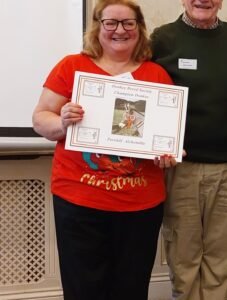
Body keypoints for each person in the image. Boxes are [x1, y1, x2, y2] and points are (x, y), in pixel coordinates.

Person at [32, 1, 176, 299]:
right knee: (83, 289)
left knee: (131, 289)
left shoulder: (156, 75)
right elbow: (40, 119)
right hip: (80, 202)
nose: (119, 31)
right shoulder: (72, 66)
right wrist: (62, 121)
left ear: (140, 28)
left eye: (128, 24)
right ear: (98, 27)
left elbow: (165, 137)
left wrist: (165, 154)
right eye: (111, 23)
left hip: (140, 206)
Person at [150, 1, 227, 299]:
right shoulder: (162, 38)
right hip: (182, 166)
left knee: (223, 254)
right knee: (184, 253)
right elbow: (146, 88)